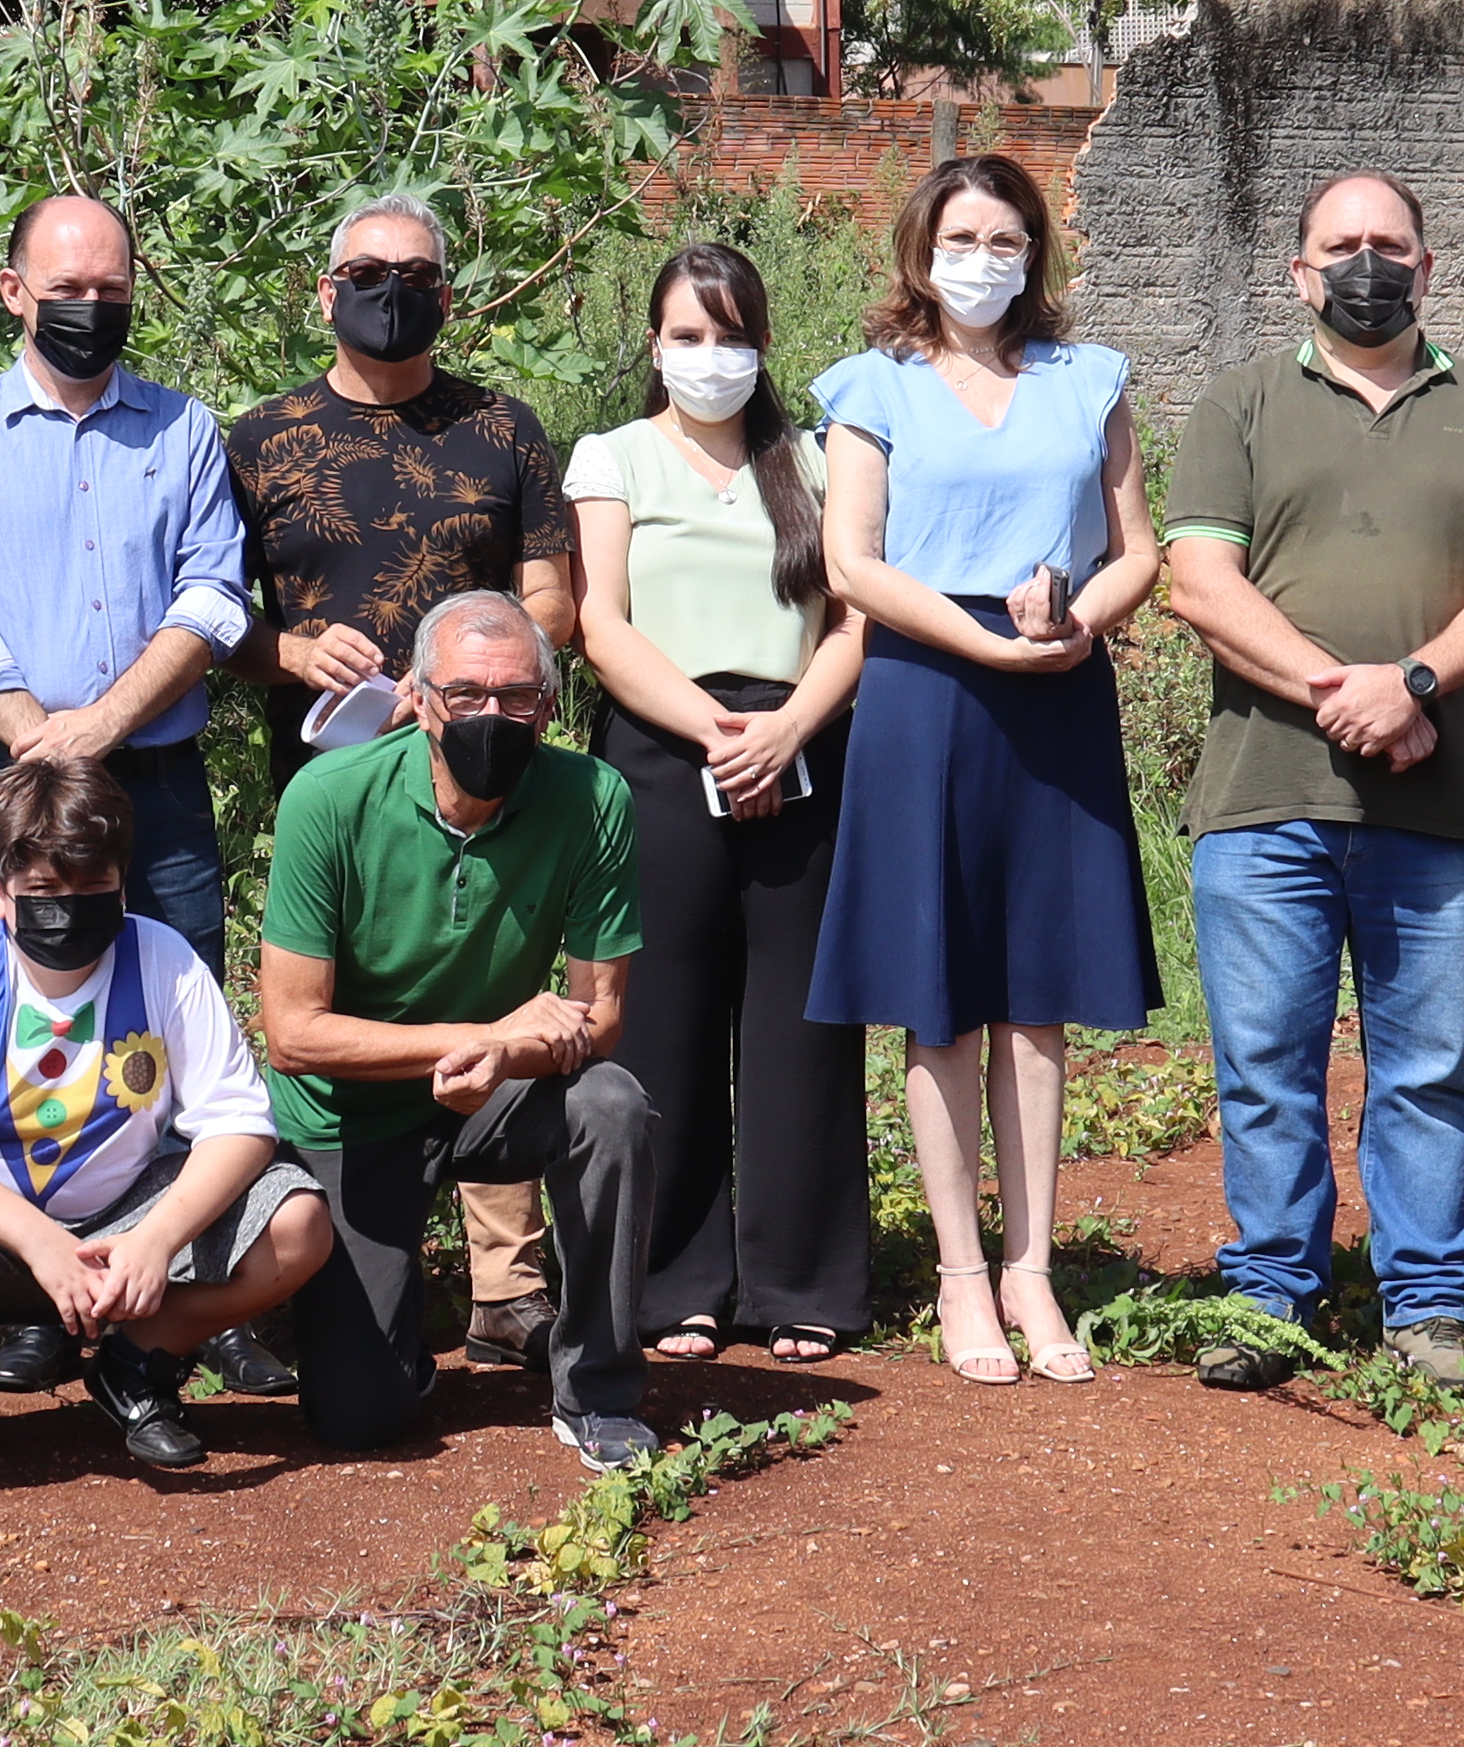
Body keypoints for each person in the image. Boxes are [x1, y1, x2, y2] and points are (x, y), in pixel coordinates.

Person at [1155, 168, 1464, 1391]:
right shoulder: (1238, 404)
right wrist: (1354, 692)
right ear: (1300, 272)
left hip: (1440, 807)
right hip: (1263, 798)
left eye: (1391, 244)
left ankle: (1429, 1302)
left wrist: (1422, 684)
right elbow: (1198, 585)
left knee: (1430, 1070)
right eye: (1342, 245)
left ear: (1428, 267)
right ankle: (1274, 1293)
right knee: (1265, 1064)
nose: (1367, 265)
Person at [807, 154, 1161, 1386]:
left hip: (1057, 691)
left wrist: (1071, 627)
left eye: (1006, 238)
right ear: (921, 249)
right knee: (938, 988)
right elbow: (853, 563)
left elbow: (1136, 551)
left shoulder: (1090, 379)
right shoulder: (873, 387)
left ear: (1036, 253)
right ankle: (962, 1272)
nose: (983, 258)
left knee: (1038, 995)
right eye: (962, 236)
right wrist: (981, 640)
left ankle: (1034, 1266)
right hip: (925, 692)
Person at [0, 186, 251, 1404]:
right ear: (14, 292)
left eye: (111, 288)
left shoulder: (185, 429)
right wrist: (37, 743)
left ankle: (196, 1296)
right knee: (40, 1041)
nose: (90, 308)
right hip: (16, 789)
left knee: (175, 1026)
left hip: (155, 774)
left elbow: (214, 598)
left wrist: (96, 728)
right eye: (66, 289)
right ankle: (46, 1298)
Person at [230, 193, 581, 1376]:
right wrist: (288, 650)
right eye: (370, 270)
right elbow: (211, 618)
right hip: (326, 782)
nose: (394, 287)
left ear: (450, 288)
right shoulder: (260, 437)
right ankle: (292, 1265)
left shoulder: (505, 429)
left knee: (491, 972)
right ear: (324, 291)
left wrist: (476, 672)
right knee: (326, 1003)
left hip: (483, 769)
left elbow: (551, 601)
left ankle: (506, 1283)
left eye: (418, 271)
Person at [0, 752, 340, 1477]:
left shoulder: (161, 957)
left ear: (122, 880)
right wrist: (38, 1242)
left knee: (295, 1220)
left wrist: (158, 1240)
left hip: (122, 1220)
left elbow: (240, 1123)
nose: (67, 906)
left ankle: (136, 1362)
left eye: (94, 884)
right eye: (41, 889)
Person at [254, 592, 658, 1467]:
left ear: (549, 706)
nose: (492, 717)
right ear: (419, 697)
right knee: (358, 1416)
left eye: (518, 699)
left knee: (610, 1106)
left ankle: (597, 1387)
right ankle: (392, 1348)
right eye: (467, 695)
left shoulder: (593, 799)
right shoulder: (327, 798)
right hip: (347, 1111)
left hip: (494, 1090)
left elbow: (605, 1015)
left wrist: (505, 1049)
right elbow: (291, 1033)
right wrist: (472, 1038)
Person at [565, 241, 871, 1366]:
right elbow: (602, 623)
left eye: (732, 335)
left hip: (801, 745)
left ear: (763, 345)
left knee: (803, 1023)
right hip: (660, 748)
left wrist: (787, 728)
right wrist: (712, 731)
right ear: (654, 346)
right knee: (666, 1021)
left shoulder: (820, 463)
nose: (711, 357)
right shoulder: (613, 459)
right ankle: (670, 1280)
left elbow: (853, 619)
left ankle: (802, 1279)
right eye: (688, 337)